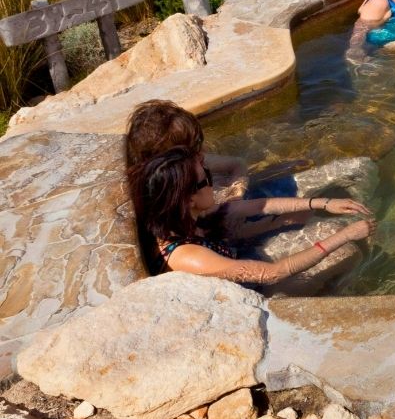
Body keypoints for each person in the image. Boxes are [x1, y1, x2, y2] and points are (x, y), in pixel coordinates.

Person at [125, 101, 376, 287]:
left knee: (321, 219)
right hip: (251, 287)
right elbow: (272, 273)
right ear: (188, 197)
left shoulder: (182, 211)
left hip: (234, 251)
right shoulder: (188, 257)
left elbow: (256, 207)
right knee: (346, 249)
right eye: (207, 179)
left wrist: (320, 204)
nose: (212, 182)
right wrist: (344, 235)